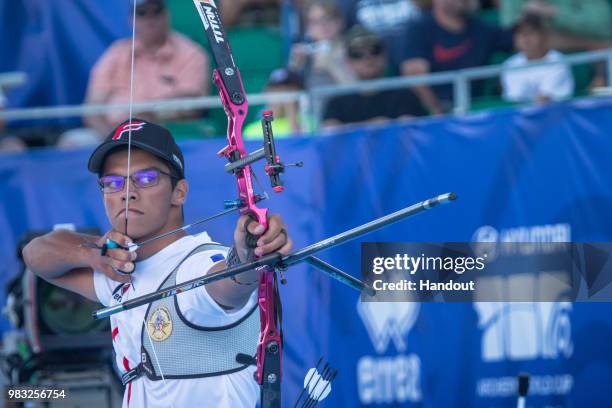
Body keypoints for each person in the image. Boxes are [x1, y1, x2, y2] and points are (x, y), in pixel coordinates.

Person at [22, 119, 292, 407]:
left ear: (180, 192)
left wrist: (247, 256)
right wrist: (88, 254)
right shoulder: (117, 269)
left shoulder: (198, 261)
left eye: (146, 178)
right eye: (113, 183)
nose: (127, 192)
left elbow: (230, 285)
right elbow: (35, 254)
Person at [84, 0, 210, 138]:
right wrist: (113, 140)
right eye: (142, 13)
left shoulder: (191, 53)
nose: (150, 19)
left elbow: (192, 106)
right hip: (112, 133)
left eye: (156, 11)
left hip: (168, 132)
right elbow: (92, 110)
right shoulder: (115, 53)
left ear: (167, 15)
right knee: (71, 141)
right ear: (131, 20)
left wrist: (150, 113)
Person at [399, 0, 514, 114]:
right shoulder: (419, 29)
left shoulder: (481, 28)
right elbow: (414, 76)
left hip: (478, 110)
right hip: (436, 115)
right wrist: (437, 110)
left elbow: (522, 41)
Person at [323, 26, 426, 127]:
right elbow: (329, 134)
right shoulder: (337, 103)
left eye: (375, 50)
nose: (368, 57)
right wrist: (372, 127)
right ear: (348, 62)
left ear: (385, 55)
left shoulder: (405, 96)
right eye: (357, 54)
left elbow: (414, 131)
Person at [501, 13, 574, 104]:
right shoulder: (510, 64)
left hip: (558, 114)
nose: (525, 37)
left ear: (543, 35)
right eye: (519, 33)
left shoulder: (558, 60)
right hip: (522, 116)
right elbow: (514, 101)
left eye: (530, 32)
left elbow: (544, 100)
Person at [289, 0, 355, 88]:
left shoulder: (353, 48)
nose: (323, 25)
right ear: (308, 29)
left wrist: (331, 65)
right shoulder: (307, 53)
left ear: (339, 21)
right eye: (315, 22)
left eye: (327, 19)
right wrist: (294, 68)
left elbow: (357, 91)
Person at [244, 67, 311, 138]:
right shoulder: (251, 130)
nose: (281, 97)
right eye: (275, 90)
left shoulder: (309, 122)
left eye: (287, 91)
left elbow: (302, 145)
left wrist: (292, 115)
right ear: (266, 92)